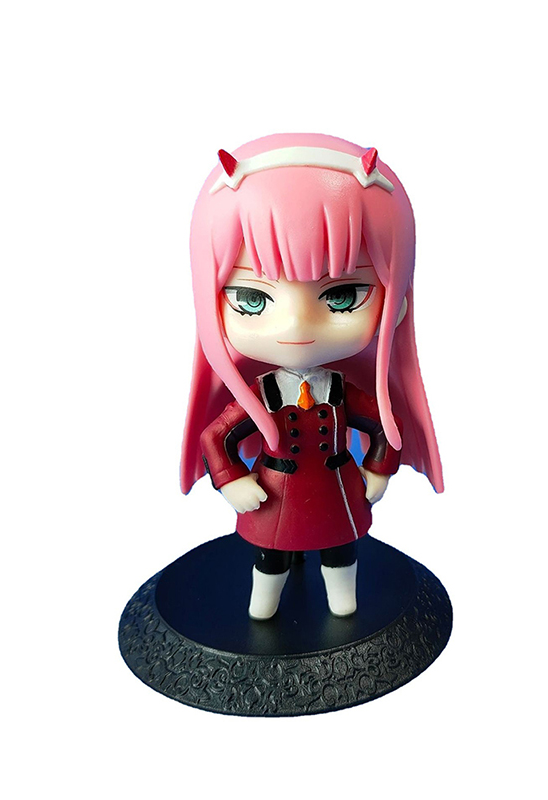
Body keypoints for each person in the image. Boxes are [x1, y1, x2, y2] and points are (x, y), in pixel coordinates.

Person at [180, 133, 443, 620]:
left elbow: (384, 426)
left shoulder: (343, 392)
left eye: (341, 296)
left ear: (398, 304)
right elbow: (215, 436)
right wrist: (230, 481)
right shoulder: (262, 395)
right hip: (274, 494)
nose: (296, 326)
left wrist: (378, 469)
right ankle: (264, 607)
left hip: (337, 490)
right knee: (270, 559)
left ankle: (343, 605)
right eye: (252, 299)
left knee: (341, 552)